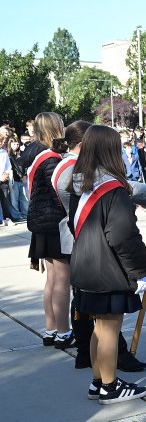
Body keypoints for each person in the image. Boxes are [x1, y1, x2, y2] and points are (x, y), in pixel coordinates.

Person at [68, 125, 146, 404]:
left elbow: (73, 224)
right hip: (108, 269)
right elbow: (123, 236)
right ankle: (110, 386)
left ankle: (98, 382)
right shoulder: (113, 190)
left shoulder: (80, 185)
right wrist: (141, 271)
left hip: (85, 265)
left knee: (99, 328)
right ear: (111, 150)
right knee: (109, 330)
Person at [21, 112, 72, 346]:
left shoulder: (34, 152)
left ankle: (51, 329)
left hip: (41, 222)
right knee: (62, 279)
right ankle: (63, 331)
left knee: (52, 279)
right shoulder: (50, 157)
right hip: (54, 222)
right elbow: (60, 189)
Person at [6, 134, 29, 221]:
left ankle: (25, 214)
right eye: (14, 144)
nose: (16, 146)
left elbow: (26, 165)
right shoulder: (8, 155)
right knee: (14, 199)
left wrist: (25, 175)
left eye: (17, 144)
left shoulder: (22, 154)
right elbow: (13, 167)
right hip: (14, 179)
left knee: (24, 198)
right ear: (10, 144)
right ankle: (16, 216)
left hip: (23, 178)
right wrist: (21, 175)